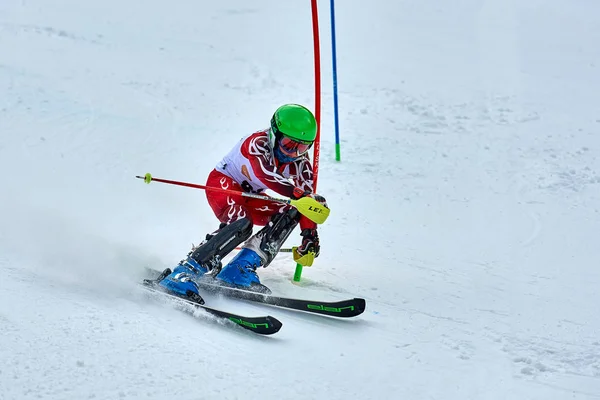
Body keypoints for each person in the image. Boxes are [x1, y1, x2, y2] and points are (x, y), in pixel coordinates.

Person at [157, 104, 327, 295]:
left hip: (253, 196)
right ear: (275, 133)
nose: (292, 153)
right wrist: (298, 195)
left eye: (301, 147)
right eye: (288, 144)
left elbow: (308, 203)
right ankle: (185, 271)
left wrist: (310, 234)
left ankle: (239, 269)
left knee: (291, 210)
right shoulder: (257, 143)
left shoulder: (300, 163)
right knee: (242, 222)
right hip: (223, 184)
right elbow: (265, 174)